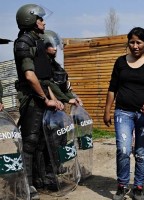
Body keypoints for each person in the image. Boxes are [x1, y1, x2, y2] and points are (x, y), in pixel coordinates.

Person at [103, 27, 144, 200]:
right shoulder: (120, 62)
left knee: (141, 152)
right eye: (132, 42)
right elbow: (112, 88)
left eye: (139, 42)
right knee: (123, 150)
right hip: (123, 112)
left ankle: (138, 187)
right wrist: (107, 110)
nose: (135, 46)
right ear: (128, 43)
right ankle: (122, 186)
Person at [14, 4, 64, 199]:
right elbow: (29, 76)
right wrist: (45, 99)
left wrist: (54, 99)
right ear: (31, 20)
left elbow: (44, 78)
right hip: (32, 99)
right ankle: (25, 185)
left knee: (44, 140)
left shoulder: (39, 41)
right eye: (40, 19)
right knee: (30, 142)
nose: (43, 22)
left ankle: (41, 180)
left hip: (43, 96)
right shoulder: (23, 43)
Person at [40, 30, 82, 105]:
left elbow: (63, 86)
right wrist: (67, 99)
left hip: (58, 104)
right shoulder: (42, 65)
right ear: (44, 46)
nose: (55, 49)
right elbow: (51, 85)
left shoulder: (55, 65)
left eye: (55, 45)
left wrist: (72, 97)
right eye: (51, 46)